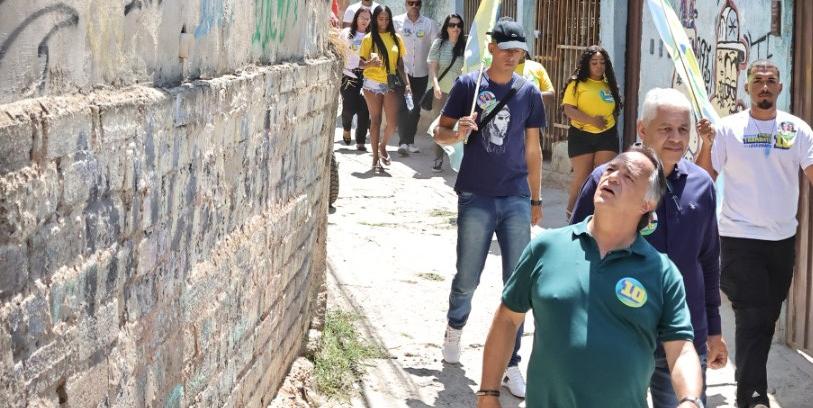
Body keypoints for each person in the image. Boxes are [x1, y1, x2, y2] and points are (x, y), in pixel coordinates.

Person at [478, 146, 704, 408]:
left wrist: (689, 400)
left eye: (628, 176)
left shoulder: (662, 272)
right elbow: (507, 319)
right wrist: (488, 393)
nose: (612, 177)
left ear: (647, 203)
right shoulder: (547, 247)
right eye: (610, 169)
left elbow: (681, 349)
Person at [572, 88, 728, 407]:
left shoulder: (702, 187)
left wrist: (714, 329)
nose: (676, 138)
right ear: (643, 130)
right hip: (619, 336)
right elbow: (575, 254)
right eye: (666, 129)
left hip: (684, 338)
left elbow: (709, 261)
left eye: (683, 129)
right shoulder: (607, 181)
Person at [433, 19, 545, 399]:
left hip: (515, 196)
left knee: (518, 283)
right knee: (468, 275)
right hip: (476, 194)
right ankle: (455, 326)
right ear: (492, 47)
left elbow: (533, 149)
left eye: (519, 50)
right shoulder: (469, 85)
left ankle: (512, 363)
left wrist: (535, 198)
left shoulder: (528, 92)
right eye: (507, 48)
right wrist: (458, 131)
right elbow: (440, 132)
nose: (513, 56)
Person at [695, 59, 813, 408]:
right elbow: (704, 178)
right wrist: (705, 143)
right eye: (758, 80)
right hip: (739, 237)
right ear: (747, 88)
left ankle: (749, 384)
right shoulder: (728, 128)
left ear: (780, 88)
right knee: (752, 314)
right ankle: (752, 394)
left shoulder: (797, 130)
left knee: (769, 314)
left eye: (771, 81)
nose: (764, 86)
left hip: (781, 239)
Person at [561, 45, 623, 220]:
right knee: (583, 177)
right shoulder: (576, 84)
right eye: (594, 62)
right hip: (581, 136)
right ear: (587, 64)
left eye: (602, 62)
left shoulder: (609, 84)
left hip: (607, 135)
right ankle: (572, 214)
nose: (598, 66)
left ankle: (601, 215)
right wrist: (592, 120)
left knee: (605, 175)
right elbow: (568, 110)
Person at [359, 6, 411, 171]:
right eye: (380, 19)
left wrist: (407, 84)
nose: (384, 22)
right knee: (375, 121)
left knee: (392, 123)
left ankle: (383, 146)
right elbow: (360, 64)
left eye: (387, 19)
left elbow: (401, 65)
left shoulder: (397, 38)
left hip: (390, 83)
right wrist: (370, 63)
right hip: (372, 84)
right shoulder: (368, 39)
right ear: (375, 19)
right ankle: (375, 157)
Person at [394, 0, 438, 156]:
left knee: (415, 108)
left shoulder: (429, 24)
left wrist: (435, 73)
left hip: (421, 73)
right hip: (401, 72)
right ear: (405, 4)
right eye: (410, 3)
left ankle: (410, 141)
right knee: (403, 107)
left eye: (417, 3)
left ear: (421, 5)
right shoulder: (396, 22)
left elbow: (435, 47)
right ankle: (403, 142)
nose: (414, 6)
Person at [426, 13, 465, 172]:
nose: (455, 28)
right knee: (440, 125)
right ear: (446, 27)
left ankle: (459, 159)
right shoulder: (439, 44)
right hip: (441, 92)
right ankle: (438, 158)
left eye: (458, 25)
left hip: (460, 93)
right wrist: (435, 85)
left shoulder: (465, 46)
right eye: (452, 25)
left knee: (460, 126)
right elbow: (433, 69)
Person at [340, 8, 372, 151]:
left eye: (367, 18)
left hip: (366, 77)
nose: (364, 21)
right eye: (362, 17)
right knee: (349, 108)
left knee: (364, 110)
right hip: (348, 76)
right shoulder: (346, 34)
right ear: (356, 18)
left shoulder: (372, 36)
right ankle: (346, 127)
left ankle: (360, 141)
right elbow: (339, 52)